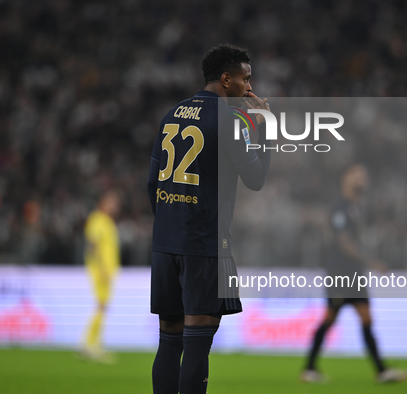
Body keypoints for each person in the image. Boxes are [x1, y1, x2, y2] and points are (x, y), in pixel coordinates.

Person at [147, 44, 271, 394]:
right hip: (204, 244)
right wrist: (266, 129)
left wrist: (171, 225)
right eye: (245, 80)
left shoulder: (171, 114)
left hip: (166, 243)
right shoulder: (233, 120)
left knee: (169, 339)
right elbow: (256, 178)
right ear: (226, 78)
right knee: (199, 339)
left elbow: (151, 183)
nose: (249, 88)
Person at [301, 164, 407, 384]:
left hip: (354, 274)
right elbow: (343, 243)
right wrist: (372, 262)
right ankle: (309, 369)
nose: (363, 179)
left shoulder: (358, 209)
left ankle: (381, 371)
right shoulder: (340, 208)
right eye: (358, 175)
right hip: (341, 274)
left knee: (366, 318)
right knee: (330, 318)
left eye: (364, 175)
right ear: (345, 179)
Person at [81, 190, 120, 363]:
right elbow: (93, 244)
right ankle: (90, 344)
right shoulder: (97, 219)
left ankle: (93, 343)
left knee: (102, 307)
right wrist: (102, 268)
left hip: (107, 271)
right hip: (100, 271)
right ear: (103, 202)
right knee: (101, 306)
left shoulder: (108, 221)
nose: (115, 206)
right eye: (112, 202)